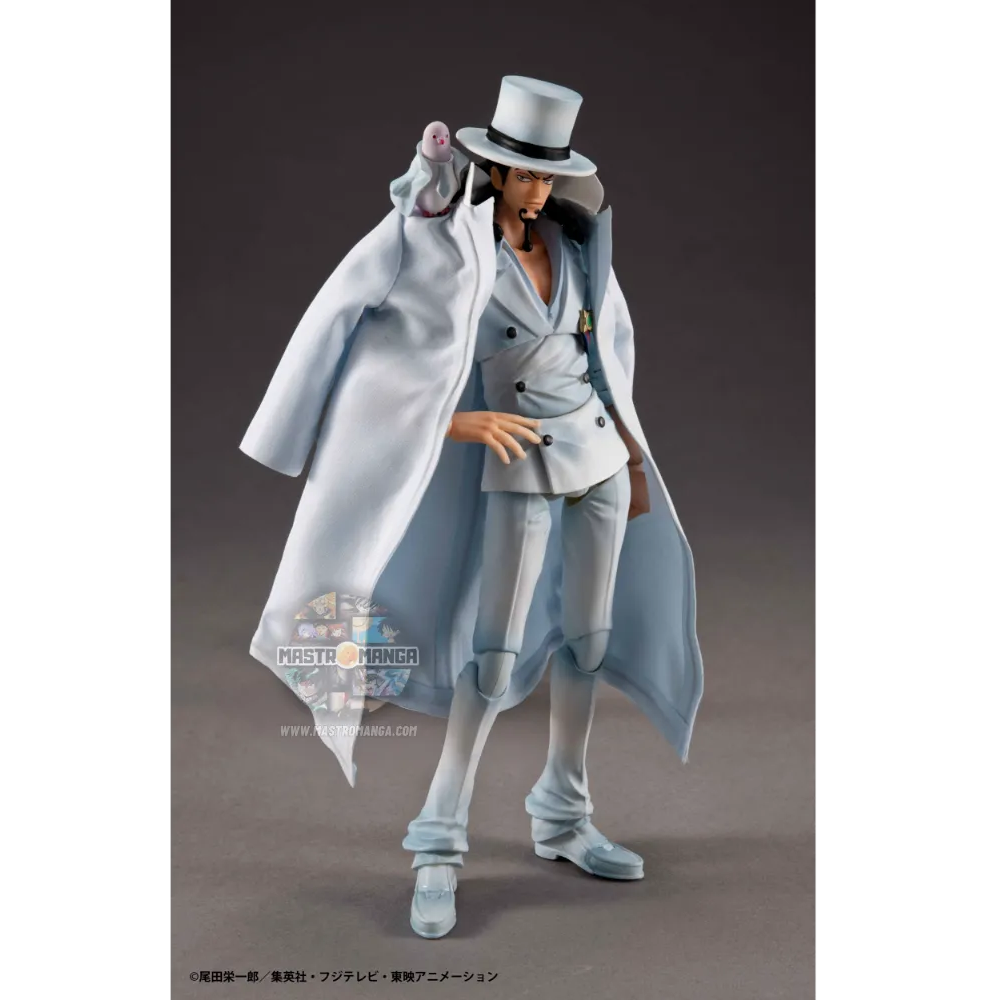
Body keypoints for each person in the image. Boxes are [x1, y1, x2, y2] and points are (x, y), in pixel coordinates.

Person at [240, 75, 704, 942]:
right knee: (491, 656)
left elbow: (608, 354)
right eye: (524, 173)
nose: (538, 190)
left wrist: (634, 456)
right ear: (492, 169)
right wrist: (455, 421)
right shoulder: (445, 249)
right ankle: (438, 837)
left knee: (589, 641)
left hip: (598, 457)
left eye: (549, 175)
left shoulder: (576, 248)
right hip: (517, 461)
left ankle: (563, 809)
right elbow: (376, 362)